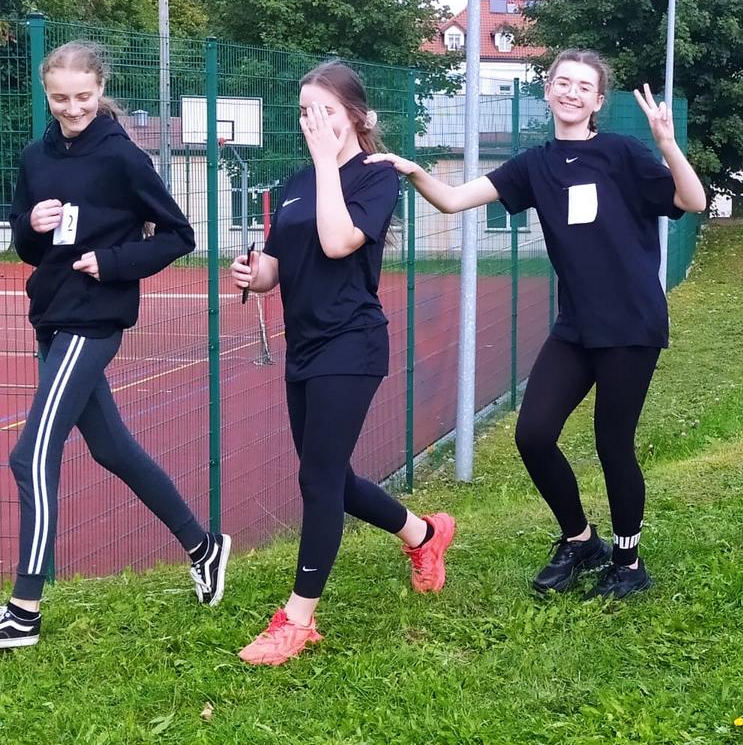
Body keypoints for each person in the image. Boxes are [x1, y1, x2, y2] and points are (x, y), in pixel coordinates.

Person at [366, 49, 706, 600]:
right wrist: (414, 170)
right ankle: (581, 540)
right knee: (533, 434)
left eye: (584, 86)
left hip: (630, 323)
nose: (571, 92)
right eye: (562, 82)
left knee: (612, 442)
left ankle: (628, 563)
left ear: (598, 101)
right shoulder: (534, 165)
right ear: (547, 91)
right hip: (576, 327)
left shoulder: (622, 152)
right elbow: (453, 200)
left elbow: (692, 199)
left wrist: (667, 143)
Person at [1, 41, 229, 650]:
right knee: (112, 449)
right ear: (46, 94)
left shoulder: (123, 157)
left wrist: (113, 262)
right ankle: (204, 547)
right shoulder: (34, 157)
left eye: (83, 96)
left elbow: (178, 235)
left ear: (100, 90)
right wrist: (32, 226)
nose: (73, 108)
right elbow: (28, 247)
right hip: (51, 317)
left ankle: (24, 609)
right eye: (60, 98)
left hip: (95, 319)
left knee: (30, 455)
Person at [231, 61, 454, 666]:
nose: (314, 121)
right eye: (306, 111)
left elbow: (337, 242)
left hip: (352, 343)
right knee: (331, 477)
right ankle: (425, 534)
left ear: (356, 116)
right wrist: (254, 272)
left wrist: (328, 164)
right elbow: (277, 267)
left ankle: (298, 619)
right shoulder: (296, 182)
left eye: (326, 110)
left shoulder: (375, 177)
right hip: (304, 344)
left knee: (318, 481)